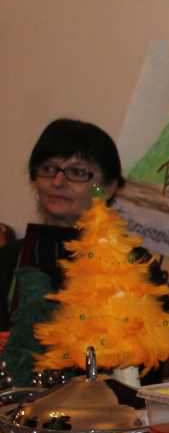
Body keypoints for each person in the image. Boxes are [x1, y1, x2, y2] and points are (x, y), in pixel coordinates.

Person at [0, 119, 124, 329]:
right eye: (48, 168)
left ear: (108, 188)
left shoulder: (135, 268)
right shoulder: (7, 259)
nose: (57, 182)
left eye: (77, 173)